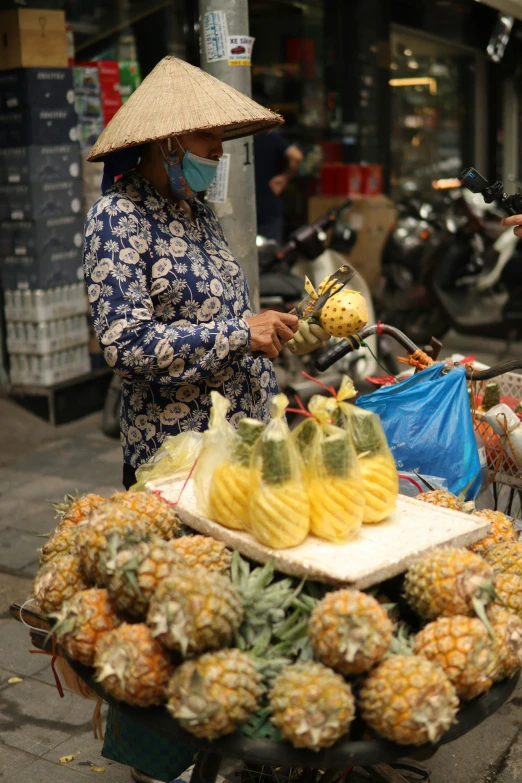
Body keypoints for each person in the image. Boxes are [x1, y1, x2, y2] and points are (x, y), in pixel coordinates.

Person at [83, 56, 327, 783]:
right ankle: (158, 764)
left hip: (238, 450)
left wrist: (266, 330)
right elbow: (123, 343)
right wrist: (235, 335)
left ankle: (226, 743)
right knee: (172, 623)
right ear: (167, 144)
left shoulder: (199, 216)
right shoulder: (116, 221)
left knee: (228, 616)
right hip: (172, 464)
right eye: (211, 145)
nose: (219, 158)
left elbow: (229, 320)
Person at [254, 130, 303, 244]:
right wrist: (285, 178)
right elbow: (296, 156)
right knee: (269, 257)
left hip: (241, 209)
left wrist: (284, 178)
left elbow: (296, 156)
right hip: (267, 207)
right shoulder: (268, 136)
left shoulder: (230, 137)